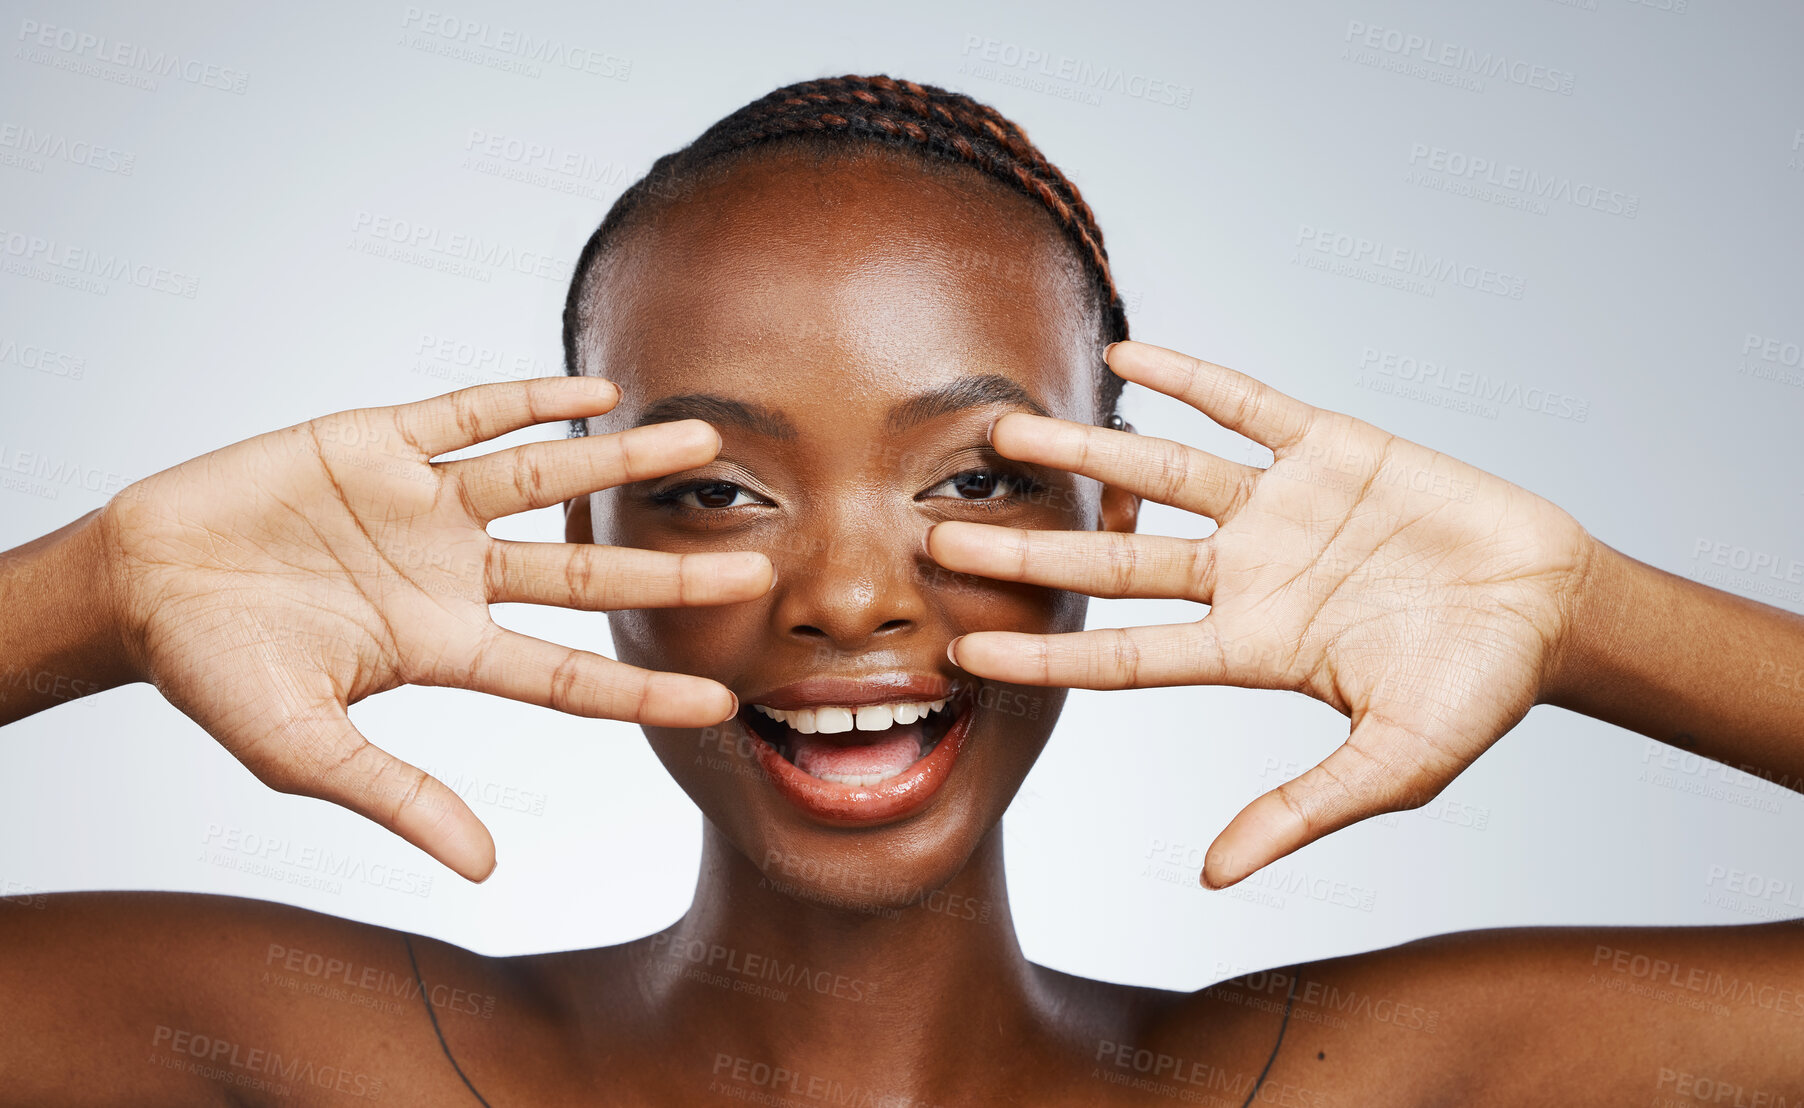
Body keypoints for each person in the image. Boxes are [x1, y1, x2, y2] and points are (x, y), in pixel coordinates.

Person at [2, 74, 1800, 1106]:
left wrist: (1583, 617)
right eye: (712, 485)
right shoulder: (313, 1061)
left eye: (975, 480)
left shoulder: (1363, 1084)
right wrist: (94, 592)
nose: (851, 591)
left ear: (1110, 509)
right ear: (588, 542)